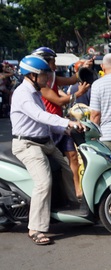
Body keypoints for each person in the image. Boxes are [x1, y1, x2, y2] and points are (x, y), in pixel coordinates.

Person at [10, 55, 84, 246]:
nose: (47, 79)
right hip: (27, 145)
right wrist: (66, 121)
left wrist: (66, 128)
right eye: (44, 75)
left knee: (67, 169)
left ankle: (73, 208)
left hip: (45, 142)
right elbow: (40, 116)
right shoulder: (22, 94)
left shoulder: (36, 93)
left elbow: (46, 124)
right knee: (43, 182)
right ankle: (35, 228)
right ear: (32, 75)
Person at [33, 47, 90, 200]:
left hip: (62, 124)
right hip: (50, 125)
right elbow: (58, 100)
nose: (55, 65)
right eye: (53, 62)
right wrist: (78, 93)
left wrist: (84, 69)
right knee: (51, 163)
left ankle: (77, 189)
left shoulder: (51, 76)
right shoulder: (40, 83)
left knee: (72, 155)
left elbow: (72, 80)